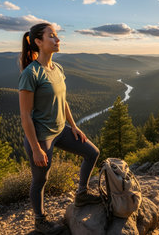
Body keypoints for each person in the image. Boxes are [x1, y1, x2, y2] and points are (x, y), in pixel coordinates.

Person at [18, 23, 101, 234]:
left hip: (61, 129)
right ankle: (40, 220)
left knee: (92, 153)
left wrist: (73, 126)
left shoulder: (58, 69)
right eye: (52, 36)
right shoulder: (31, 73)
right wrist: (36, 148)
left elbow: (63, 102)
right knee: (40, 179)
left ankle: (81, 194)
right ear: (38, 42)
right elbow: (25, 115)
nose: (58, 40)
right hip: (41, 136)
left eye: (57, 36)